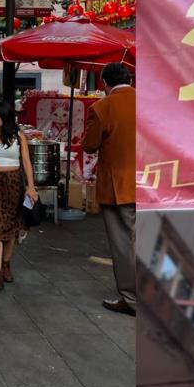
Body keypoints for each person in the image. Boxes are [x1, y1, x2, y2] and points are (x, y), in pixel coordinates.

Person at [82, 63, 136, 316]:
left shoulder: (102, 107)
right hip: (152, 182)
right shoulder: (150, 101)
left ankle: (132, 298)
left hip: (119, 186)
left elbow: (89, 145)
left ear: (104, 82)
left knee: (123, 243)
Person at [0, 101, 38, 291]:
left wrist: (31, 187)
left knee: (11, 227)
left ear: (5, 116)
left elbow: (27, 163)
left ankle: (6, 264)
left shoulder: (17, 136)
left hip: (13, 183)